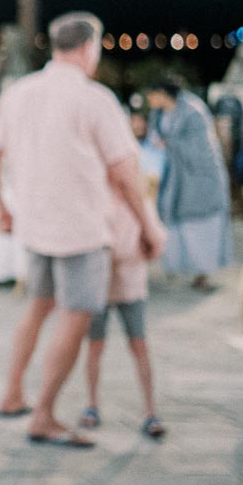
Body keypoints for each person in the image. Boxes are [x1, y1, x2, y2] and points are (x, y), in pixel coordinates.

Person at [0, 12, 166, 448]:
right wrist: (149, 226)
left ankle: (13, 393)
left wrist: (3, 209)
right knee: (76, 314)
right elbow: (124, 173)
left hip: (35, 224)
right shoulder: (96, 100)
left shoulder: (18, 93)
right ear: (89, 47)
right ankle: (44, 415)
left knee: (38, 306)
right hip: (81, 229)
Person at [79, 178, 165, 440]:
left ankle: (150, 411)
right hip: (99, 286)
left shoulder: (140, 204)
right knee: (95, 346)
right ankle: (92, 404)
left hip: (130, 286)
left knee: (139, 345)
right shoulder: (95, 199)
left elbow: (155, 243)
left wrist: (117, 250)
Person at [146, 75, 233, 293]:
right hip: (173, 178)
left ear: (162, 93)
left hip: (198, 180)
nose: (149, 99)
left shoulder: (193, 111)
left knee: (201, 227)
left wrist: (170, 143)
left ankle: (203, 275)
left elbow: (202, 150)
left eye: (152, 94)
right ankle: (181, 267)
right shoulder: (158, 113)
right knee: (176, 226)